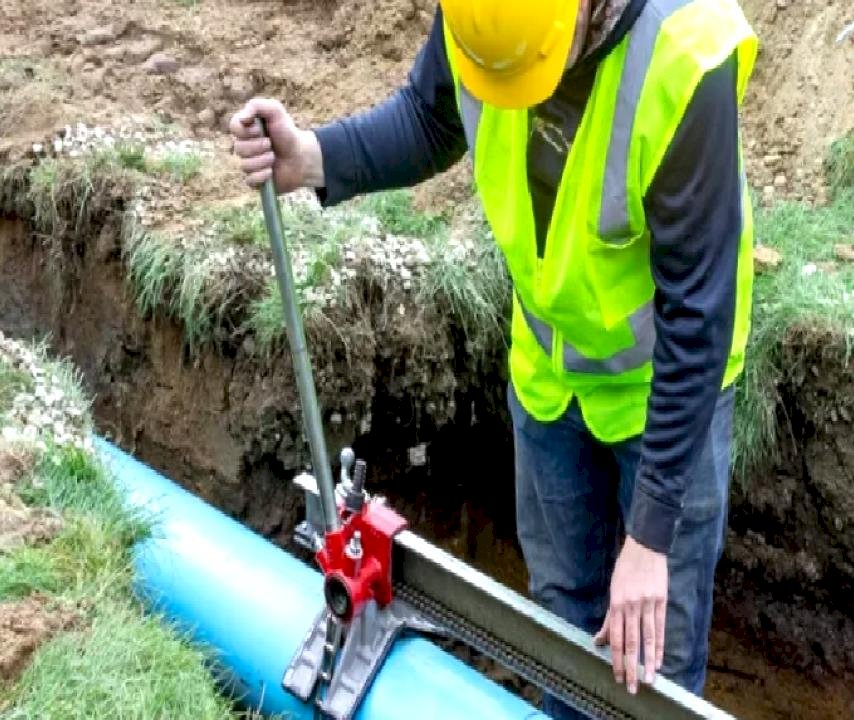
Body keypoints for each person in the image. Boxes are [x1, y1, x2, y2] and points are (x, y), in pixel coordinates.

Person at [229, 1, 757, 716]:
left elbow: (700, 312)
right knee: (559, 622)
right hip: (548, 379)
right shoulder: (483, 13)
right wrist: (313, 157)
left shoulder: (684, 50)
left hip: (664, 394)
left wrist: (651, 535)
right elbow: (429, 117)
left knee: (651, 667)